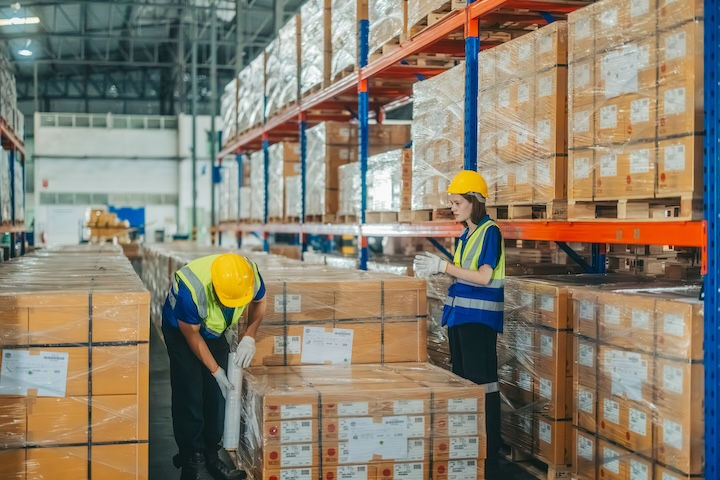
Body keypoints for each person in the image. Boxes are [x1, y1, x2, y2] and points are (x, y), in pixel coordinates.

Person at [414, 170, 504, 476]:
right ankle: (470, 451)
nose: (453, 208)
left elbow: (484, 276)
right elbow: (460, 275)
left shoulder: (489, 232)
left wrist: (443, 265)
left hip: (479, 321)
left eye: (457, 202)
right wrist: (437, 271)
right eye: (451, 202)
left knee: (482, 386)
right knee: (463, 383)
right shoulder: (466, 234)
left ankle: (489, 456)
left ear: (474, 202)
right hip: (461, 318)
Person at [162, 253, 266, 480]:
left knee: (217, 395)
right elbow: (192, 335)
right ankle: (192, 458)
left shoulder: (248, 277)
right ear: (216, 289)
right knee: (190, 392)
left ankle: (211, 455)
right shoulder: (192, 289)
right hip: (182, 332)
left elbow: (260, 302)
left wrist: (250, 335)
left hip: (214, 331)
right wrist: (215, 370)